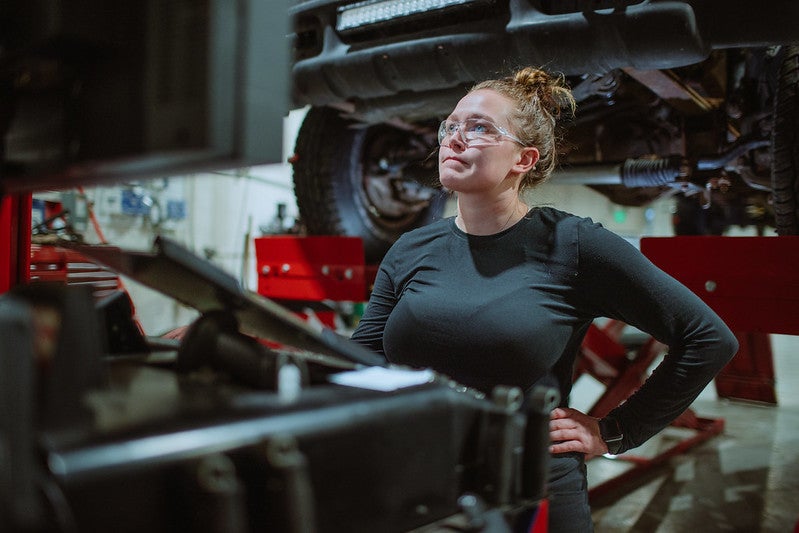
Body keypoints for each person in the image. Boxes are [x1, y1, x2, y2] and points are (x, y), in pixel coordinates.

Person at [349, 67, 738, 532]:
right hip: (417, 482)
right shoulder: (411, 247)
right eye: (449, 126)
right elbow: (365, 355)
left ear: (524, 159)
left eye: (479, 128)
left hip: (530, 490)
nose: (454, 139)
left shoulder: (572, 244)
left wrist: (614, 430)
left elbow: (708, 339)